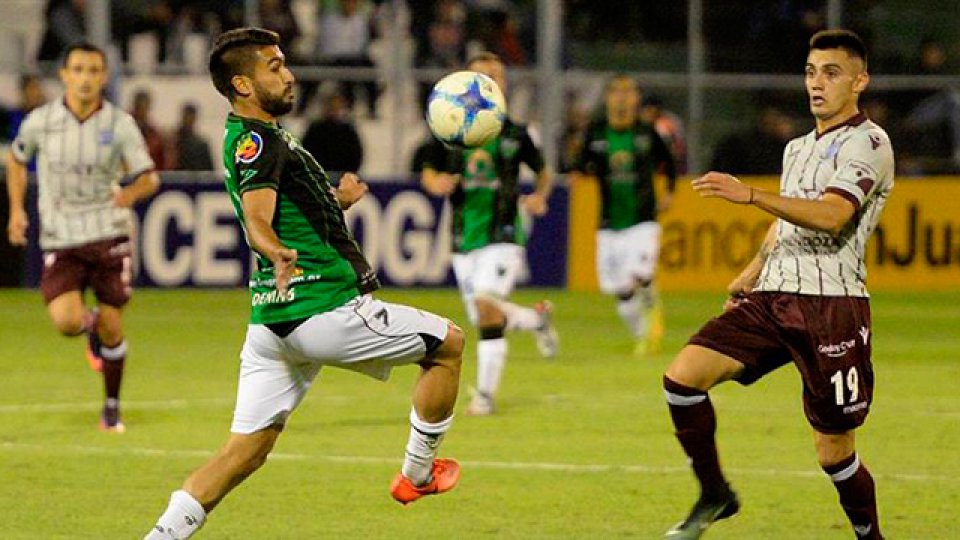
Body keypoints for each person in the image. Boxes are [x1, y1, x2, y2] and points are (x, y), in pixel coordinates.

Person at [143, 28, 465, 539]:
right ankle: (417, 475)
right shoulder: (257, 140)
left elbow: (281, 207)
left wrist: (335, 200)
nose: (288, 74)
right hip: (322, 306)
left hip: (274, 324)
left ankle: (161, 536)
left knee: (244, 452)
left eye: (284, 62)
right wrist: (272, 249)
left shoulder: (265, 137)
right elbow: (257, 217)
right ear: (243, 84)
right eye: (274, 66)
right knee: (448, 344)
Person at [662, 29, 891, 539]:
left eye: (831, 73)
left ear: (859, 81)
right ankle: (715, 494)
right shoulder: (796, 148)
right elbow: (788, 221)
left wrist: (750, 195)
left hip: (833, 306)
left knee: (834, 452)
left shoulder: (870, 143)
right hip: (773, 298)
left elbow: (832, 215)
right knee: (682, 380)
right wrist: (749, 274)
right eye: (811, 72)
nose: (817, 84)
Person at [5, 43, 160, 432]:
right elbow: (17, 160)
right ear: (64, 75)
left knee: (113, 325)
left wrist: (129, 194)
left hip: (109, 234)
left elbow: (149, 177)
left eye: (93, 70)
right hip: (61, 237)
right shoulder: (41, 121)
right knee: (66, 322)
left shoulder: (119, 123)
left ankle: (111, 406)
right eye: (78, 69)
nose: (86, 78)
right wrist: (17, 210)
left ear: (104, 77)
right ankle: (89, 328)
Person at [418, 52, 558, 417]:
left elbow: (544, 171)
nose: (486, 83)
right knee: (486, 314)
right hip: (464, 237)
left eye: (494, 77)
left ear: (502, 85)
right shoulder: (449, 129)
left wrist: (540, 196)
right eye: (479, 76)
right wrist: (438, 183)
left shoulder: (516, 133)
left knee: (484, 307)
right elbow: (428, 172)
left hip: (504, 232)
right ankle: (535, 320)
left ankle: (484, 396)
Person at [572, 75, 677, 357]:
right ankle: (642, 335)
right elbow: (580, 165)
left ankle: (651, 302)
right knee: (620, 290)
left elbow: (669, 162)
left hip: (643, 219)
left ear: (635, 98)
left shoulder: (647, 132)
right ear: (607, 98)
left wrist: (669, 191)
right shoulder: (595, 133)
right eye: (616, 91)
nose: (621, 97)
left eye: (627, 91)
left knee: (640, 274)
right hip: (608, 223)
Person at [301, 91, 364, 174]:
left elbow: (355, 155)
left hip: (342, 176)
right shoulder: (315, 129)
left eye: (336, 107)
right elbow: (306, 153)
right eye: (331, 106)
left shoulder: (348, 131)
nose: (333, 110)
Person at [170, 103, 214, 171]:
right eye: (186, 117)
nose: (188, 120)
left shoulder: (201, 145)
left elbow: (209, 170)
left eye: (191, 117)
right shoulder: (172, 141)